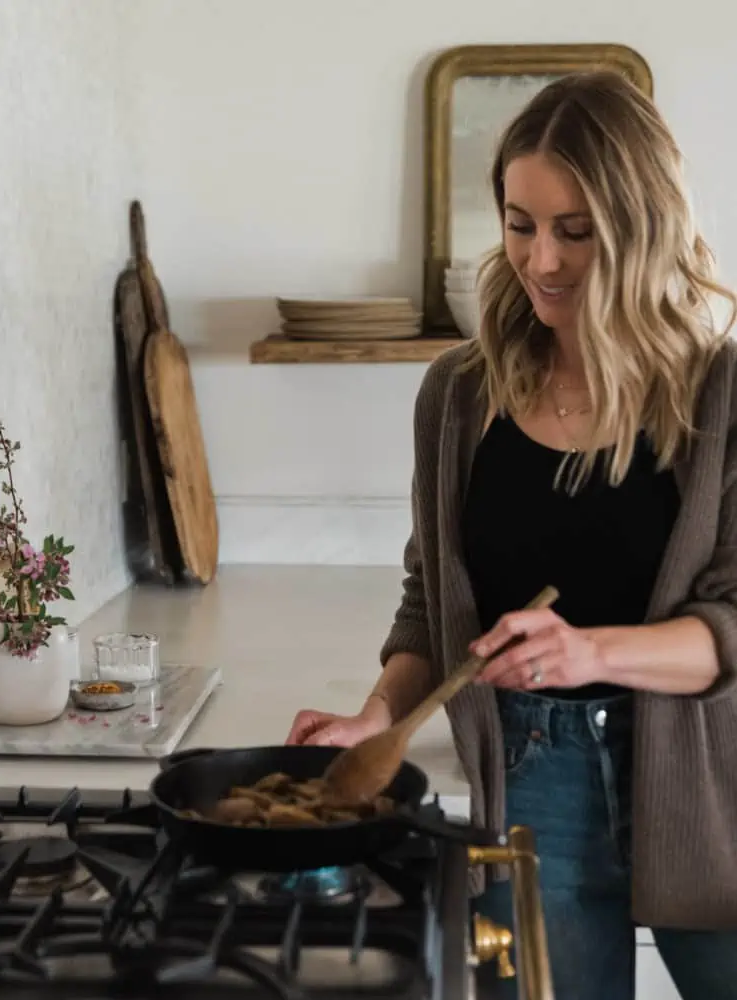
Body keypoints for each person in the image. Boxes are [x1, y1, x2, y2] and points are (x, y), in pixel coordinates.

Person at [286, 70, 737, 1000]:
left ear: (642, 229)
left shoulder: (720, 396)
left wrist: (586, 651)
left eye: (575, 231)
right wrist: (381, 719)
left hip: (707, 778)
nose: (540, 260)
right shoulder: (459, 395)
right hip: (525, 783)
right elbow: (430, 603)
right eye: (518, 222)